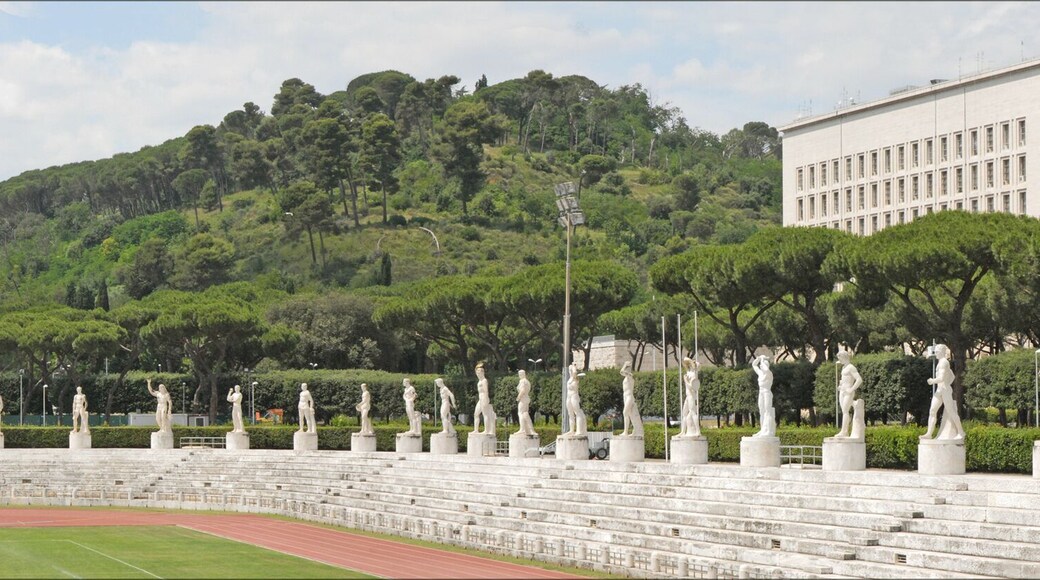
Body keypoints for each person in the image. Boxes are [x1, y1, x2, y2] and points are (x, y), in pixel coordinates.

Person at [921, 344, 965, 440]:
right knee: (932, 410)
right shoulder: (940, 362)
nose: (935, 353)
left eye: (937, 351)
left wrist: (933, 381)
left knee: (951, 411)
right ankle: (929, 433)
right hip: (940, 390)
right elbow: (952, 376)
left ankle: (961, 432)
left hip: (944, 390)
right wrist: (946, 383)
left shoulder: (944, 362)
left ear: (941, 352)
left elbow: (941, 378)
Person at [835, 351, 864, 438]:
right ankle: (844, 431)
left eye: (840, 358)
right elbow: (843, 380)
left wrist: (851, 389)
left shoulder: (851, 367)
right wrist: (840, 386)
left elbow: (859, 379)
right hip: (842, 391)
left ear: (844, 357)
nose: (839, 360)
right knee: (844, 411)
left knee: (845, 411)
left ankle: (844, 431)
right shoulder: (844, 367)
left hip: (848, 391)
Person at [751, 355, 776, 437]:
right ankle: (762, 430)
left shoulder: (769, 373)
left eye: (762, 365)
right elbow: (754, 365)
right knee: (762, 411)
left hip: (767, 393)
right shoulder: (760, 373)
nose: (761, 366)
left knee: (767, 411)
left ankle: (768, 431)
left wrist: (762, 360)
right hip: (761, 393)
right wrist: (758, 358)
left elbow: (766, 369)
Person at [620, 361, 643, 436]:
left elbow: (621, 372)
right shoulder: (626, 378)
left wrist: (624, 365)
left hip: (629, 396)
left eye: (627, 368)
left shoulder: (630, 376)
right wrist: (625, 365)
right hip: (625, 396)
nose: (626, 370)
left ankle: (625, 431)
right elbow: (622, 372)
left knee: (625, 412)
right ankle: (635, 430)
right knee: (630, 414)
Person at [679, 357, 701, 437]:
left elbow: (692, 387)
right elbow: (684, 360)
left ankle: (698, 431)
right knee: (684, 413)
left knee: (692, 412)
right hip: (687, 396)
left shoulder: (694, 375)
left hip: (691, 395)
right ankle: (683, 431)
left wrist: (685, 380)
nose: (688, 365)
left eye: (690, 364)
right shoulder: (688, 373)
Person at [472, 362, 496, 436]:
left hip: (484, 398)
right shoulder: (479, 381)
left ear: (482, 373)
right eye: (477, 373)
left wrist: (486, 398)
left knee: (485, 414)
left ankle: (486, 430)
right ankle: (476, 430)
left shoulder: (484, 381)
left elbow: (486, 391)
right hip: (480, 399)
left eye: (479, 373)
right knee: (476, 414)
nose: (477, 374)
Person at [566, 363, 588, 436]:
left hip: (574, 396)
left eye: (571, 370)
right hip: (568, 396)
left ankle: (579, 430)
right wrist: (570, 367)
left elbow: (575, 372)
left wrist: (574, 366)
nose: (570, 371)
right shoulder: (569, 379)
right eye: (569, 370)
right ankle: (571, 430)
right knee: (570, 414)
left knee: (577, 412)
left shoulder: (576, 378)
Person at [515, 370, 535, 436]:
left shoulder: (522, 381)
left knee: (520, 413)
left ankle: (522, 429)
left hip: (523, 398)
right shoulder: (527, 381)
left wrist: (518, 397)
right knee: (525, 414)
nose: (519, 375)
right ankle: (530, 429)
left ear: (522, 374)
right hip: (526, 398)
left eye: (519, 374)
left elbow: (522, 390)